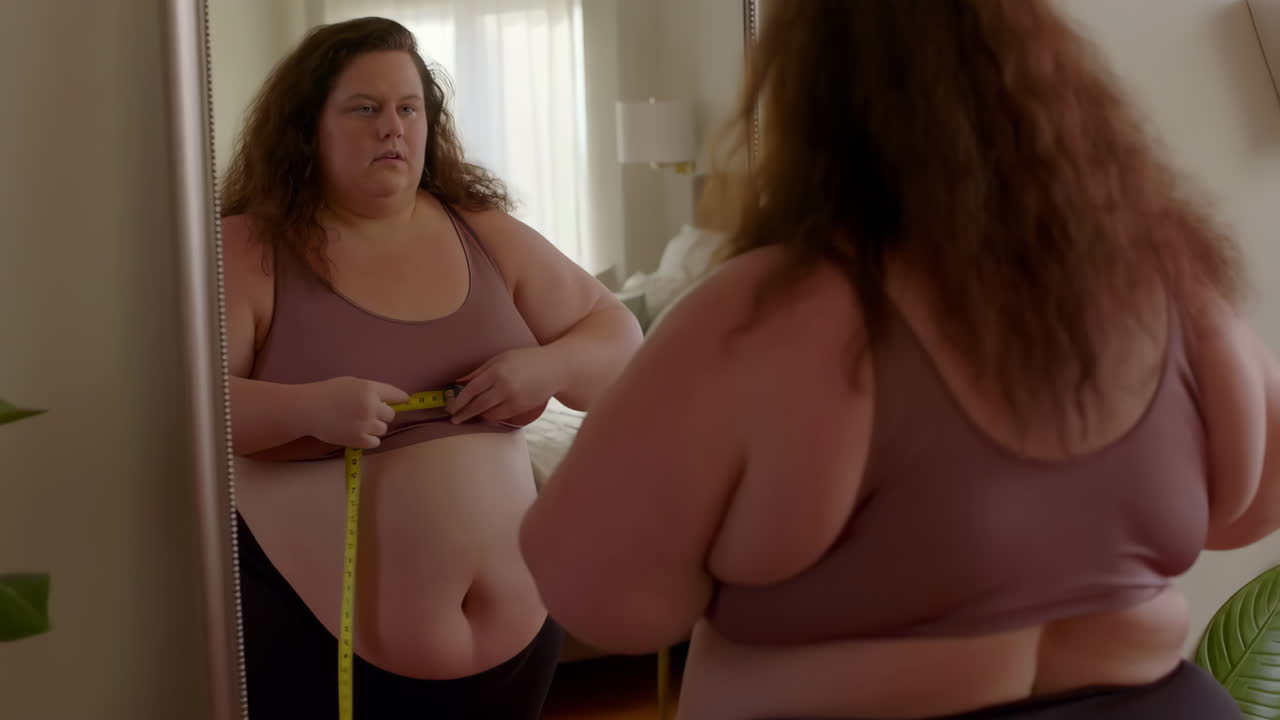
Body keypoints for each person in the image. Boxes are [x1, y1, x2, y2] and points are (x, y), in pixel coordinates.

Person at [518, 1, 1265, 718]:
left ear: (812, 111)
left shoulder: (771, 313)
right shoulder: (1182, 293)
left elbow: (600, 599)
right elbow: (1249, 510)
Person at [220, 16, 642, 718]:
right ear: (306, 127)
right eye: (365, 108)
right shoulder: (249, 249)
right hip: (311, 646)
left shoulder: (485, 233)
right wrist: (307, 411)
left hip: (520, 653)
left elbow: (620, 340)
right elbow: (186, 407)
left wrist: (547, 367)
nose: (393, 127)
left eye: (408, 108)